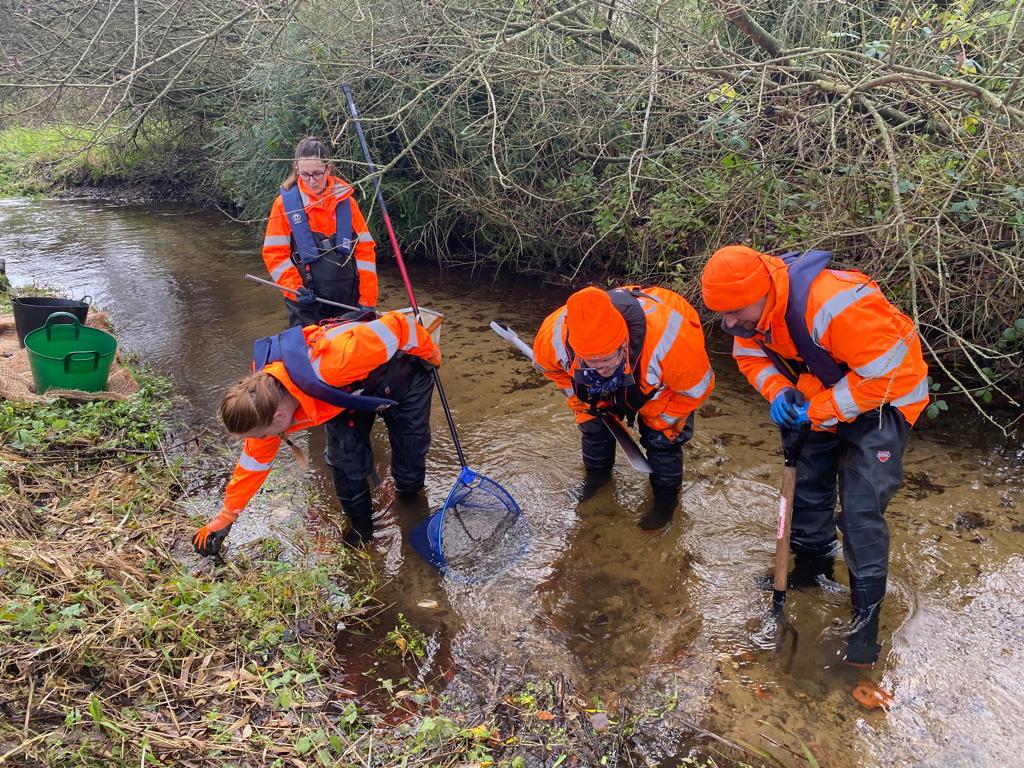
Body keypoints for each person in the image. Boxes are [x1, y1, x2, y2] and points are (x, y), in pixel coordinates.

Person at [700, 245, 929, 667]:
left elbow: (893, 377)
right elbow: (750, 356)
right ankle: (810, 569)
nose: (730, 323)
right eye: (722, 314)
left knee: (861, 512)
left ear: (764, 290)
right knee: (806, 485)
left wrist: (818, 410)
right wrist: (780, 392)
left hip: (884, 403)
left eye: (735, 312)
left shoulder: (834, 304)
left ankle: (865, 628)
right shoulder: (752, 317)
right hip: (821, 394)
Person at [192, 310, 440, 556]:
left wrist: (431, 357)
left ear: (279, 418)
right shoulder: (263, 408)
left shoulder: (339, 360)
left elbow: (399, 327)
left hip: (403, 380)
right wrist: (227, 515)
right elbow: (253, 464)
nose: (259, 441)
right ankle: (361, 525)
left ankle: (409, 499)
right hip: (345, 396)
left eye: (259, 436)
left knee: (411, 451)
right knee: (344, 461)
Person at [533, 285, 715, 531]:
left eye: (608, 359)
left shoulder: (671, 340)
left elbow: (695, 390)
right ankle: (597, 480)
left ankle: (665, 503)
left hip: (663, 383)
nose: (602, 369)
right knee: (594, 425)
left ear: (623, 344)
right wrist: (581, 399)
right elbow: (552, 370)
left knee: (662, 441)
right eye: (592, 362)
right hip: (601, 376)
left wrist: (658, 419)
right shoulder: (552, 336)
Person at [262, 137, 378, 327]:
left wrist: (368, 299)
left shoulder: (346, 202)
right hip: (305, 300)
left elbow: (365, 250)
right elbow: (274, 254)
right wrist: (294, 289)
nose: (311, 180)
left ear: (328, 169)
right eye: (305, 174)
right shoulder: (284, 205)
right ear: (297, 170)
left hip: (347, 297)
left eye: (317, 173)